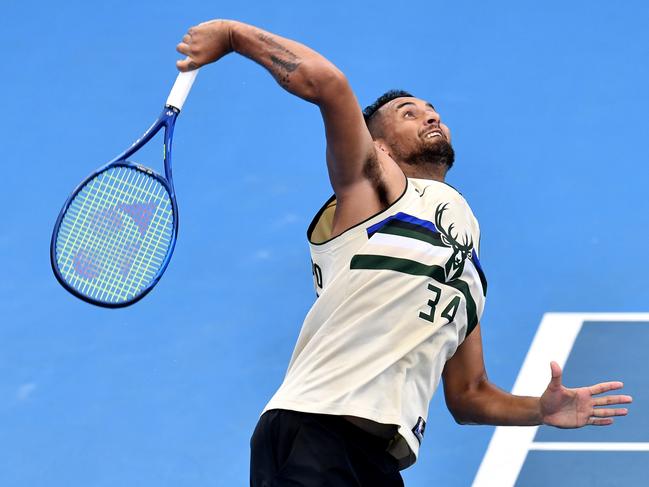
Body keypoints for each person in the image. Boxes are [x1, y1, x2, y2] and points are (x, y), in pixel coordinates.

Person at [175, 20, 632, 486]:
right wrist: (232, 36)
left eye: (434, 111)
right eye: (409, 113)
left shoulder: (464, 255)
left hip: (377, 460)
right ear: (378, 146)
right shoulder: (374, 193)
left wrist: (540, 409)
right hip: (314, 430)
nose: (432, 117)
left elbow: (469, 394)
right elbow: (330, 86)